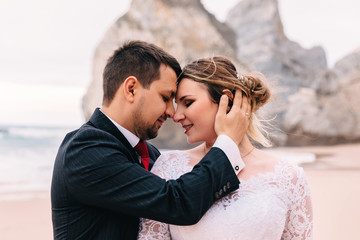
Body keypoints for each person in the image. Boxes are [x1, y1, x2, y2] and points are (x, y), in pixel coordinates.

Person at [51, 41, 251, 239]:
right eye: (165, 98)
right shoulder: (84, 150)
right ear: (131, 89)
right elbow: (177, 203)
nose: (172, 113)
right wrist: (227, 142)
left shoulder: (151, 154)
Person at [138, 56, 313, 239]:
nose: (176, 116)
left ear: (226, 100)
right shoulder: (168, 166)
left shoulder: (289, 177)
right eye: (177, 105)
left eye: (188, 102)